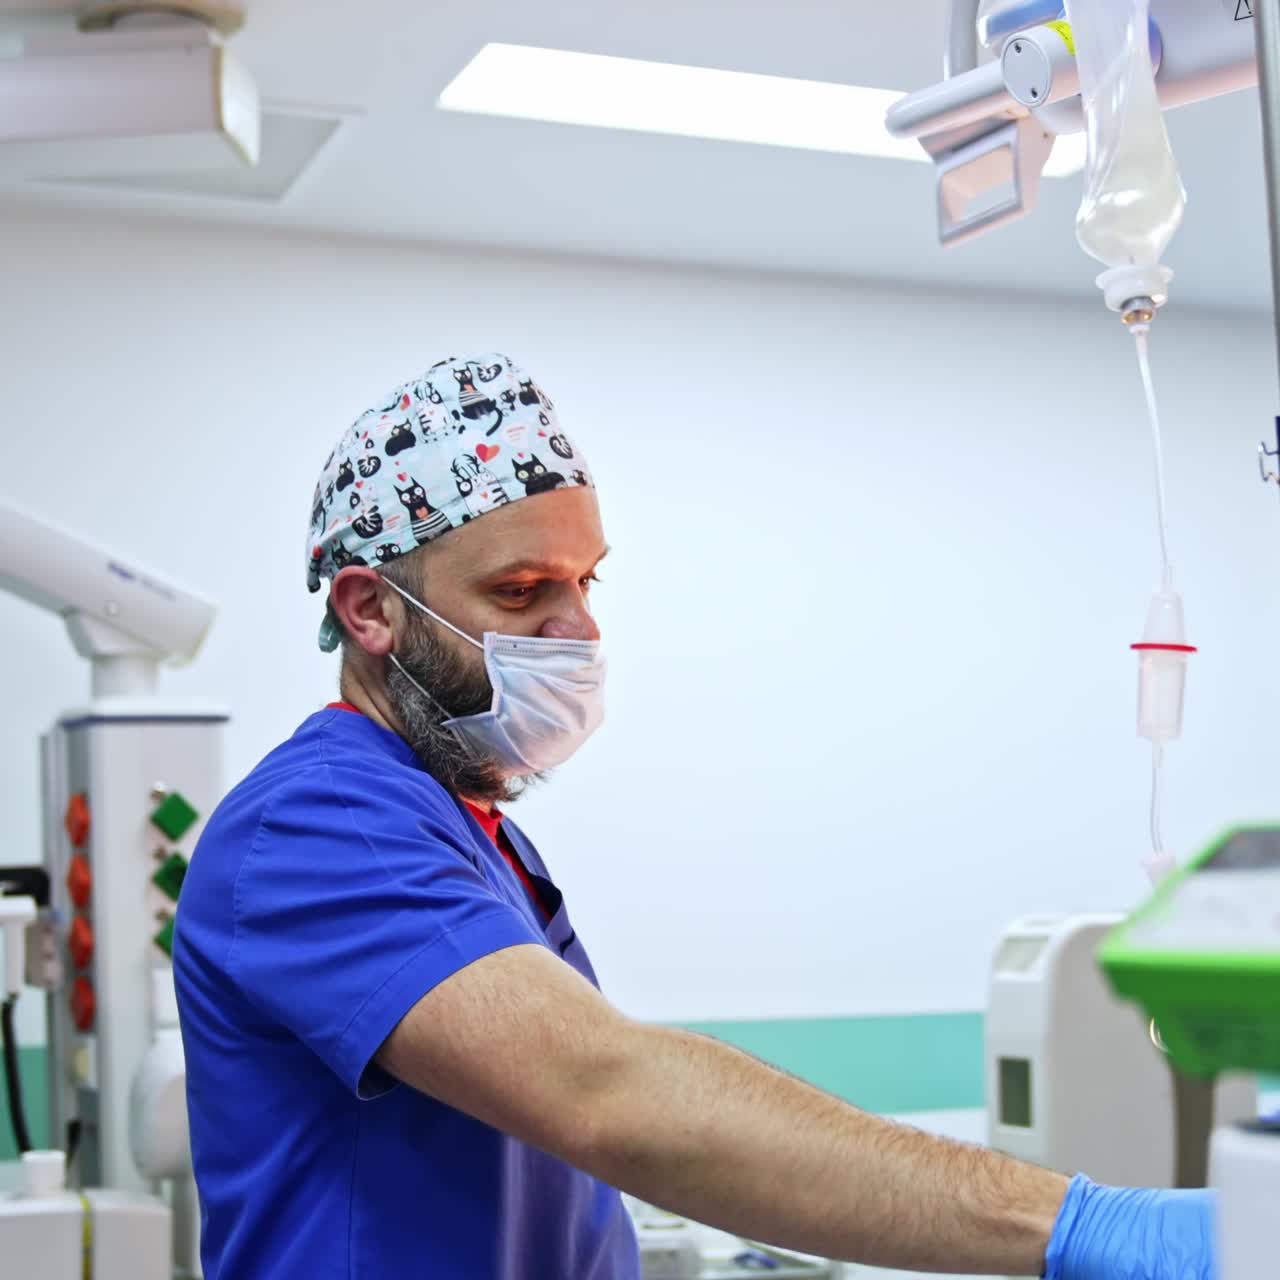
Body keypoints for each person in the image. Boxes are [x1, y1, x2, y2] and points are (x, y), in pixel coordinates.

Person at [174, 353, 1217, 1279]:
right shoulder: (318, 826)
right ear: (370, 610)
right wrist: (1078, 1222)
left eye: (585, 580)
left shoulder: (465, 826)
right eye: (522, 588)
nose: (576, 628)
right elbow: (610, 1093)